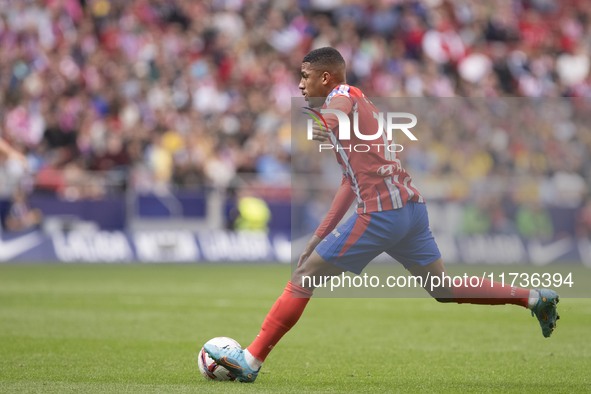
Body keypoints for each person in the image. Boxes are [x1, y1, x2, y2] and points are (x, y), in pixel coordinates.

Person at [204, 47, 560, 383]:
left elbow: (341, 103)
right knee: (443, 288)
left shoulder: (343, 95)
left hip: (382, 213)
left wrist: (325, 121)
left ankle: (250, 361)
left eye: (305, 76)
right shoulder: (351, 116)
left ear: (325, 78)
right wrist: (317, 236)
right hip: (410, 210)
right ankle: (532, 298)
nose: (300, 84)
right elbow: (349, 182)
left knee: (304, 276)